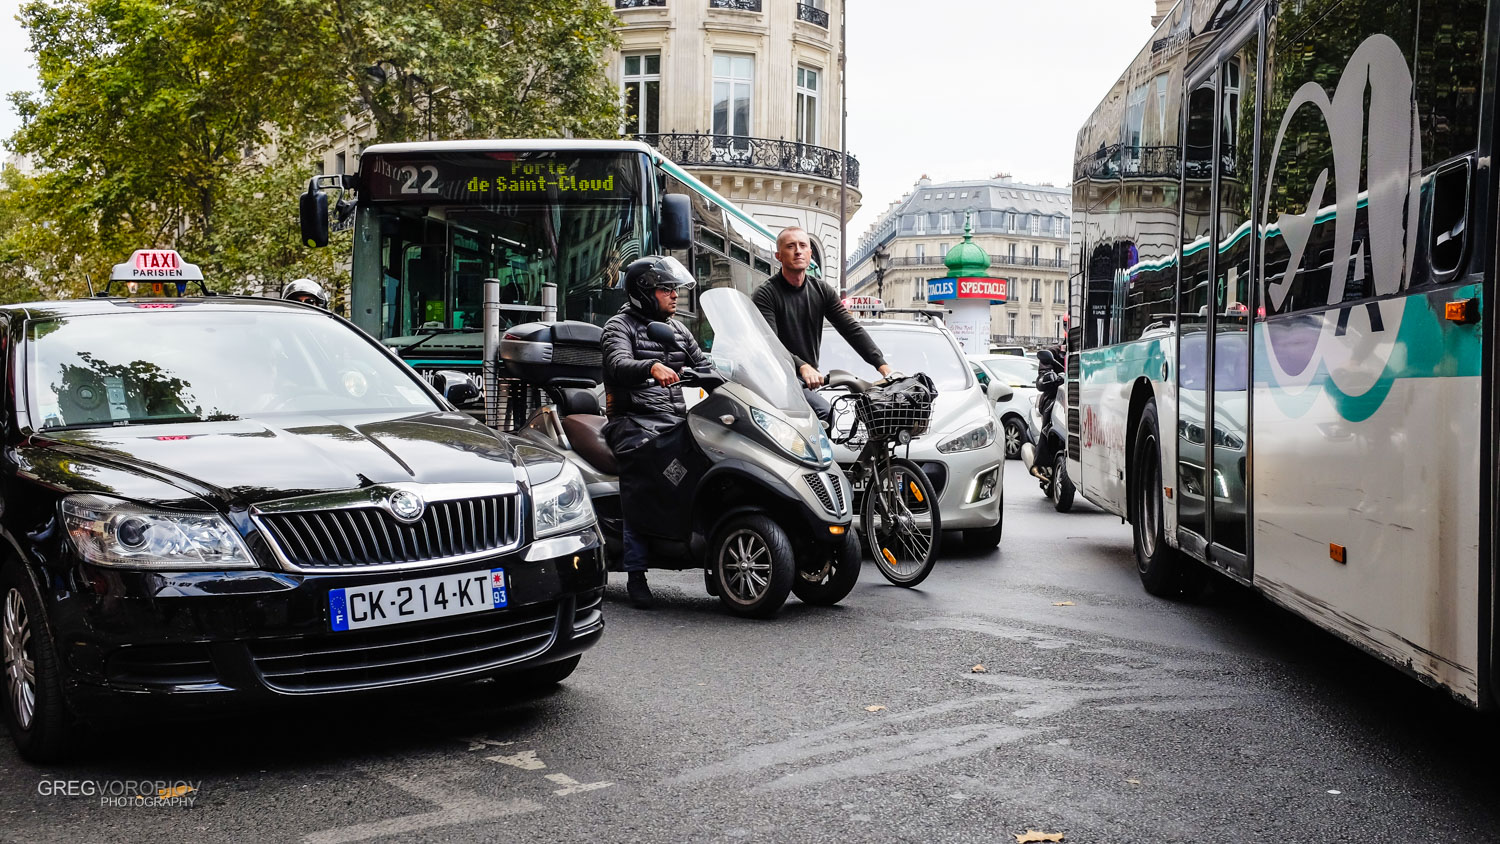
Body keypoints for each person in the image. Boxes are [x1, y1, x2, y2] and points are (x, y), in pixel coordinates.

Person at [601, 255, 707, 610]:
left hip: (673, 419)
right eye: (666, 289)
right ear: (645, 292)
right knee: (643, 480)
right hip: (633, 422)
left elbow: (702, 363)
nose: (675, 296)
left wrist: (730, 371)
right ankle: (635, 571)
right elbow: (618, 363)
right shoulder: (620, 326)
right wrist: (651, 365)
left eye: (675, 289)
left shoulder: (678, 329)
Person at [751, 227, 892, 420]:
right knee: (827, 414)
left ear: (810, 254)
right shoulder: (766, 294)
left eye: (803, 246)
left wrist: (882, 366)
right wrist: (802, 366)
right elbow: (770, 344)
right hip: (777, 379)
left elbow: (850, 329)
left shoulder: (821, 290)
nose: (798, 251)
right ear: (779, 256)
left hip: (807, 383)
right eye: (791, 246)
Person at [1031, 348, 1066, 480]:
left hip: (1075, 396)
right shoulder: (1054, 353)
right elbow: (1041, 378)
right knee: (1050, 412)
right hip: (1054, 396)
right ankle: (1040, 459)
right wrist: (1050, 377)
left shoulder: (1085, 352)